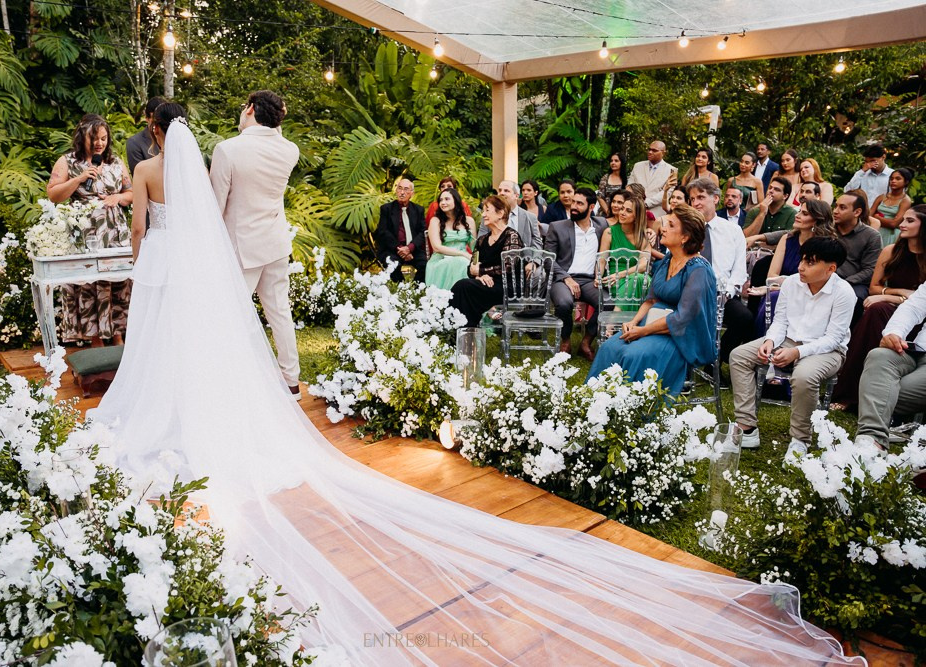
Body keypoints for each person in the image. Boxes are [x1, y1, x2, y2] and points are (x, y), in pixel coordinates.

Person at [88, 109, 861, 666]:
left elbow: (164, 221)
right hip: (264, 246)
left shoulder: (190, 162)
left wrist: (631, 314)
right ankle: (289, 376)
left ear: (156, 136)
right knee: (294, 321)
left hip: (200, 257)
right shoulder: (274, 150)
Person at [210, 90, 302, 398]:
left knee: (228, 316)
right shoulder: (290, 150)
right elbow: (275, 136)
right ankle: (292, 381)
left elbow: (216, 206)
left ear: (250, 109)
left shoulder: (227, 150)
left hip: (240, 248)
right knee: (280, 312)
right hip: (275, 243)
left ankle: (227, 380)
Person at [729, 238, 856, 461]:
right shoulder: (791, 283)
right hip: (787, 339)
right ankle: (747, 426)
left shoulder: (844, 292)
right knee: (739, 356)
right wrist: (769, 341)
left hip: (827, 350)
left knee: (804, 375)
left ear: (831, 268)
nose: (801, 266)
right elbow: (780, 322)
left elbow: (833, 338)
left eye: (810, 262)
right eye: (802, 259)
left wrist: (797, 353)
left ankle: (800, 439)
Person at [587, 204, 717, 397]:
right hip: (652, 323)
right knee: (609, 347)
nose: (662, 228)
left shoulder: (698, 270)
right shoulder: (667, 260)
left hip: (682, 336)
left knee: (633, 355)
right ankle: (594, 403)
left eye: (671, 225)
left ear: (685, 237)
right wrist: (633, 322)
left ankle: (630, 411)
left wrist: (642, 331)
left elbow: (683, 318)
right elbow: (651, 299)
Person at [46, 113, 133, 347]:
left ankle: (118, 334)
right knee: (89, 284)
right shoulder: (67, 162)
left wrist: (118, 197)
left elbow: (131, 193)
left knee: (117, 281)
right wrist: (79, 179)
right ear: (81, 136)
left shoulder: (116, 162)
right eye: (94, 138)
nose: (100, 143)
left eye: (104, 138)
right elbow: (53, 194)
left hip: (115, 232)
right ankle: (94, 337)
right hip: (85, 233)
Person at [831, 205, 926, 411]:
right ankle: (849, 394)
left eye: (910, 221)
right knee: (875, 312)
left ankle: (881, 395)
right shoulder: (891, 251)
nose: (902, 224)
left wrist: (898, 298)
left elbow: (919, 302)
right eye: (903, 220)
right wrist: (900, 295)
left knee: (878, 311)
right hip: (886, 309)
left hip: (919, 320)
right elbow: (874, 288)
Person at [855, 280, 926, 451]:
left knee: (881, 391)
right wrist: (894, 333)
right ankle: (871, 442)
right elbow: (913, 307)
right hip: (917, 350)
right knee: (879, 356)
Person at [747, 200, 837, 334]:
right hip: (781, 291)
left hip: (811, 295)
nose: (797, 215)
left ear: (816, 220)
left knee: (774, 296)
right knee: (775, 296)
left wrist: (775, 286)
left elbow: (817, 281)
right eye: (799, 211)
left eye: (804, 213)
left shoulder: (825, 246)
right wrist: (775, 286)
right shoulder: (787, 239)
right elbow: (772, 277)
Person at [688, 178, 751, 363]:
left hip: (723, 293)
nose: (695, 203)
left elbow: (739, 270)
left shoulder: (732, 230)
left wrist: (727, 293)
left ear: (715, 199)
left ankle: (717, 358)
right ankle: (686, 363)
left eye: (700, 197)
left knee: (744, 318)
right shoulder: (686, 230)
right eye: (692, 199)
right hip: (690, 294)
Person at [545, 187, 604, 359]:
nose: (574, 206)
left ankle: (586, 342)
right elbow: (549, 260)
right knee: (564, 303)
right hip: (563, 279)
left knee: (606, 302)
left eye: (580, 203)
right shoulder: (557, 227)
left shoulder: (602, 226)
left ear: (591, 207)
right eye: (573, 202)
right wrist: (566, 278)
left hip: (589, 281)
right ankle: (565, 340)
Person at [449, 195, 523, 326]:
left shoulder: (511, 236)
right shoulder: (482, 240)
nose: (483, 215)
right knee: (465, 288)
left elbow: (508, 266)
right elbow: (472, 268)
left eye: (487, 210)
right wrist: (479, 276)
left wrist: (482, 271)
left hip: (507, 286)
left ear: (500, 213)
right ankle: (464, 332)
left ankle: (461, 330)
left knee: (463, 287)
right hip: (485, 284)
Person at [598, 191, 652, 310]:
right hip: (614, 280)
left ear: (637, 216)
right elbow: (602, 260)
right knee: (637, 281)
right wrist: (598, 277)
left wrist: (620, 275)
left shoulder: (643, 237)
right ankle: (627, 324)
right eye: (622, 209)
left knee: (639, 279)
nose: (622, 213)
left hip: (631, 277)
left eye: (628, 211)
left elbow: (643, 266)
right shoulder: (609, 232)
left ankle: (613, 323)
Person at [833, 190, 883, 305]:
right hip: (823, 278)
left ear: (857, 212)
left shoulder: (871, 236)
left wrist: (845, 282)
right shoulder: (828, 230)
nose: (835, 211)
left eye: (842, 208)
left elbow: (870, 269)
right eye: (835, 206)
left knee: (854, 297)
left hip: (854, 283)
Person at [374, 178, 427, 282]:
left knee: (425, 265)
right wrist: (401, 249)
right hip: (392, 249)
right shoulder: (386, 209)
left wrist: (409, 248)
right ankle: (399, 291)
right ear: (396, 190)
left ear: (412, 193)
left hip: (413, 250)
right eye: (400, 188)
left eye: (406, 189)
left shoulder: (418, 210)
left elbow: (423, 232)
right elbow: (383, 232)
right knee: (393, 265)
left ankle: (416, 291)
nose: (402, 192)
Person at [424, 188, 476, 291]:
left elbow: (474, 246)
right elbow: (437, 247)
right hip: (441, 259)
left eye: (447, 199)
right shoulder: (435, 221)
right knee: (461, 262)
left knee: (466, 264)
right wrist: (463, 254)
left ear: (456, 201)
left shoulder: (469, 221)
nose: (443, 202)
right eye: (441, 200)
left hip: (464, 259)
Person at [484, 180, 543, 249]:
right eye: (500, 190)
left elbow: (537, 244)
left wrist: (530, 258)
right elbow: (481, 240)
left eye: (506, 191)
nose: (501, 193)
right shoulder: (488, 216)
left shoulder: (530, 217)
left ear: (516, 195)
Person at [628, 140, 675, 219]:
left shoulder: (671, 170)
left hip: (657, 213)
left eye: (654, 150)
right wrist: (637, 203)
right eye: (649, 149)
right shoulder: (638, 166)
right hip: (635, 210)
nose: (650, 152)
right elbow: (630, 187)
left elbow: (666, 193)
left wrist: (645, 203)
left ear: (663, 153)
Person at [868, 167, 914, 246]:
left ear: (906, 182)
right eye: (891, 179)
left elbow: (894, 224)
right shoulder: (881, 197)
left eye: (898, 179)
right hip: (875, 232)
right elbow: (868, 215)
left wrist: (877, 217)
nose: (893, 181)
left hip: (891, 236)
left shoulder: (905, 201)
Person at [125, 96, 167, 173]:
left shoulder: (173, 137)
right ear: (146, 118)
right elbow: (139, 174)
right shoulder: (134, 143)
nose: (159, 123)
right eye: (155, 119)